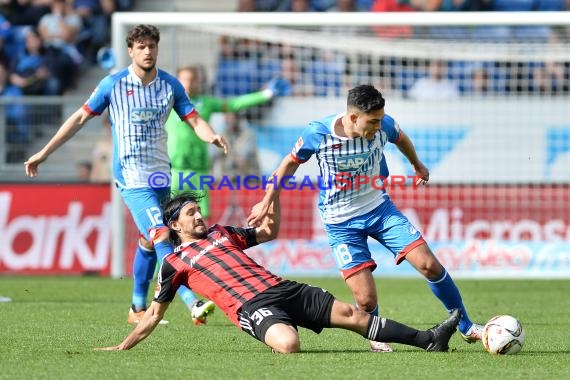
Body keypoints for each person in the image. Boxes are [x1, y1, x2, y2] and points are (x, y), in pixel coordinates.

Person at [247, 84, 482, 353]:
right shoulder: (318, 133)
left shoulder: (384, 125)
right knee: (366, 300)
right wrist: (267, 200)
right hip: (340, 223)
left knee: (429, 265)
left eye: (380, 120)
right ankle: (375, 333)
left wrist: (416, 164)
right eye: (372, 122)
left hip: (379, 209)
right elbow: (289, 164)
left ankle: (466, 326)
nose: (378, 127)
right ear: (353, 117)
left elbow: (401, 138)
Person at [24, 24, 228, 326]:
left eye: (151, 46)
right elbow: (81, 116)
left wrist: (211, 136)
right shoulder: (113, 84)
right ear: (130, 50)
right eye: (141, 46)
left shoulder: (170, 85)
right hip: (131, 177)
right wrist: (45, 151)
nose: (147, 51)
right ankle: (191, 301)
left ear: (157, 49)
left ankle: (136, 307)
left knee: (150, 240)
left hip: (160, 175)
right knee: (161, 233)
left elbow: (194, 118)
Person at [96, 192, 460, 353]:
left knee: (355, 314)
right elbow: (154, 315)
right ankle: (276, 330)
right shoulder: (173, 264)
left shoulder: (223, 233)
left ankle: (429, 339)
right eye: (190, 213)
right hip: (252, 308)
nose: (198, 215)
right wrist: (123, 345)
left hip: (283, 288)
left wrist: (273, 197)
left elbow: (268, 233)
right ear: (175, 225)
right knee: (289, 345)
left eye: (198, 210)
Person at [166, 64, 289, 220]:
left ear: (198, 81)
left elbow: (233, 104)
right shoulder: (167, 104)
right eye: (184, 79)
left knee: (200, 217)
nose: (188, 83)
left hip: (199, 170)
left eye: (192, 79)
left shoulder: (206, 103)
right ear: (177, 81)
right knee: (171, 216)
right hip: (173, 171)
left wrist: (266, 94)